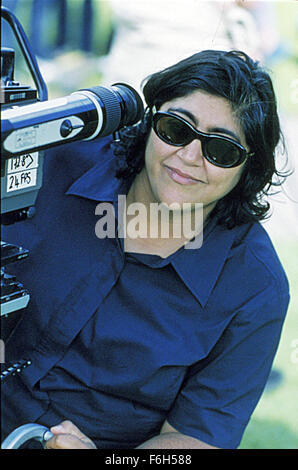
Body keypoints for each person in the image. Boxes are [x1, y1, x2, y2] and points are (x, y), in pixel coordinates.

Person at [1, 50, 290, 449]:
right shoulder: (54, 157)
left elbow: (196, 440)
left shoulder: (255, 285)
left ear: (248, 169)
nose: (189, 158)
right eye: (175, 129)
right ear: (150, 119)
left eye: (221, 150)